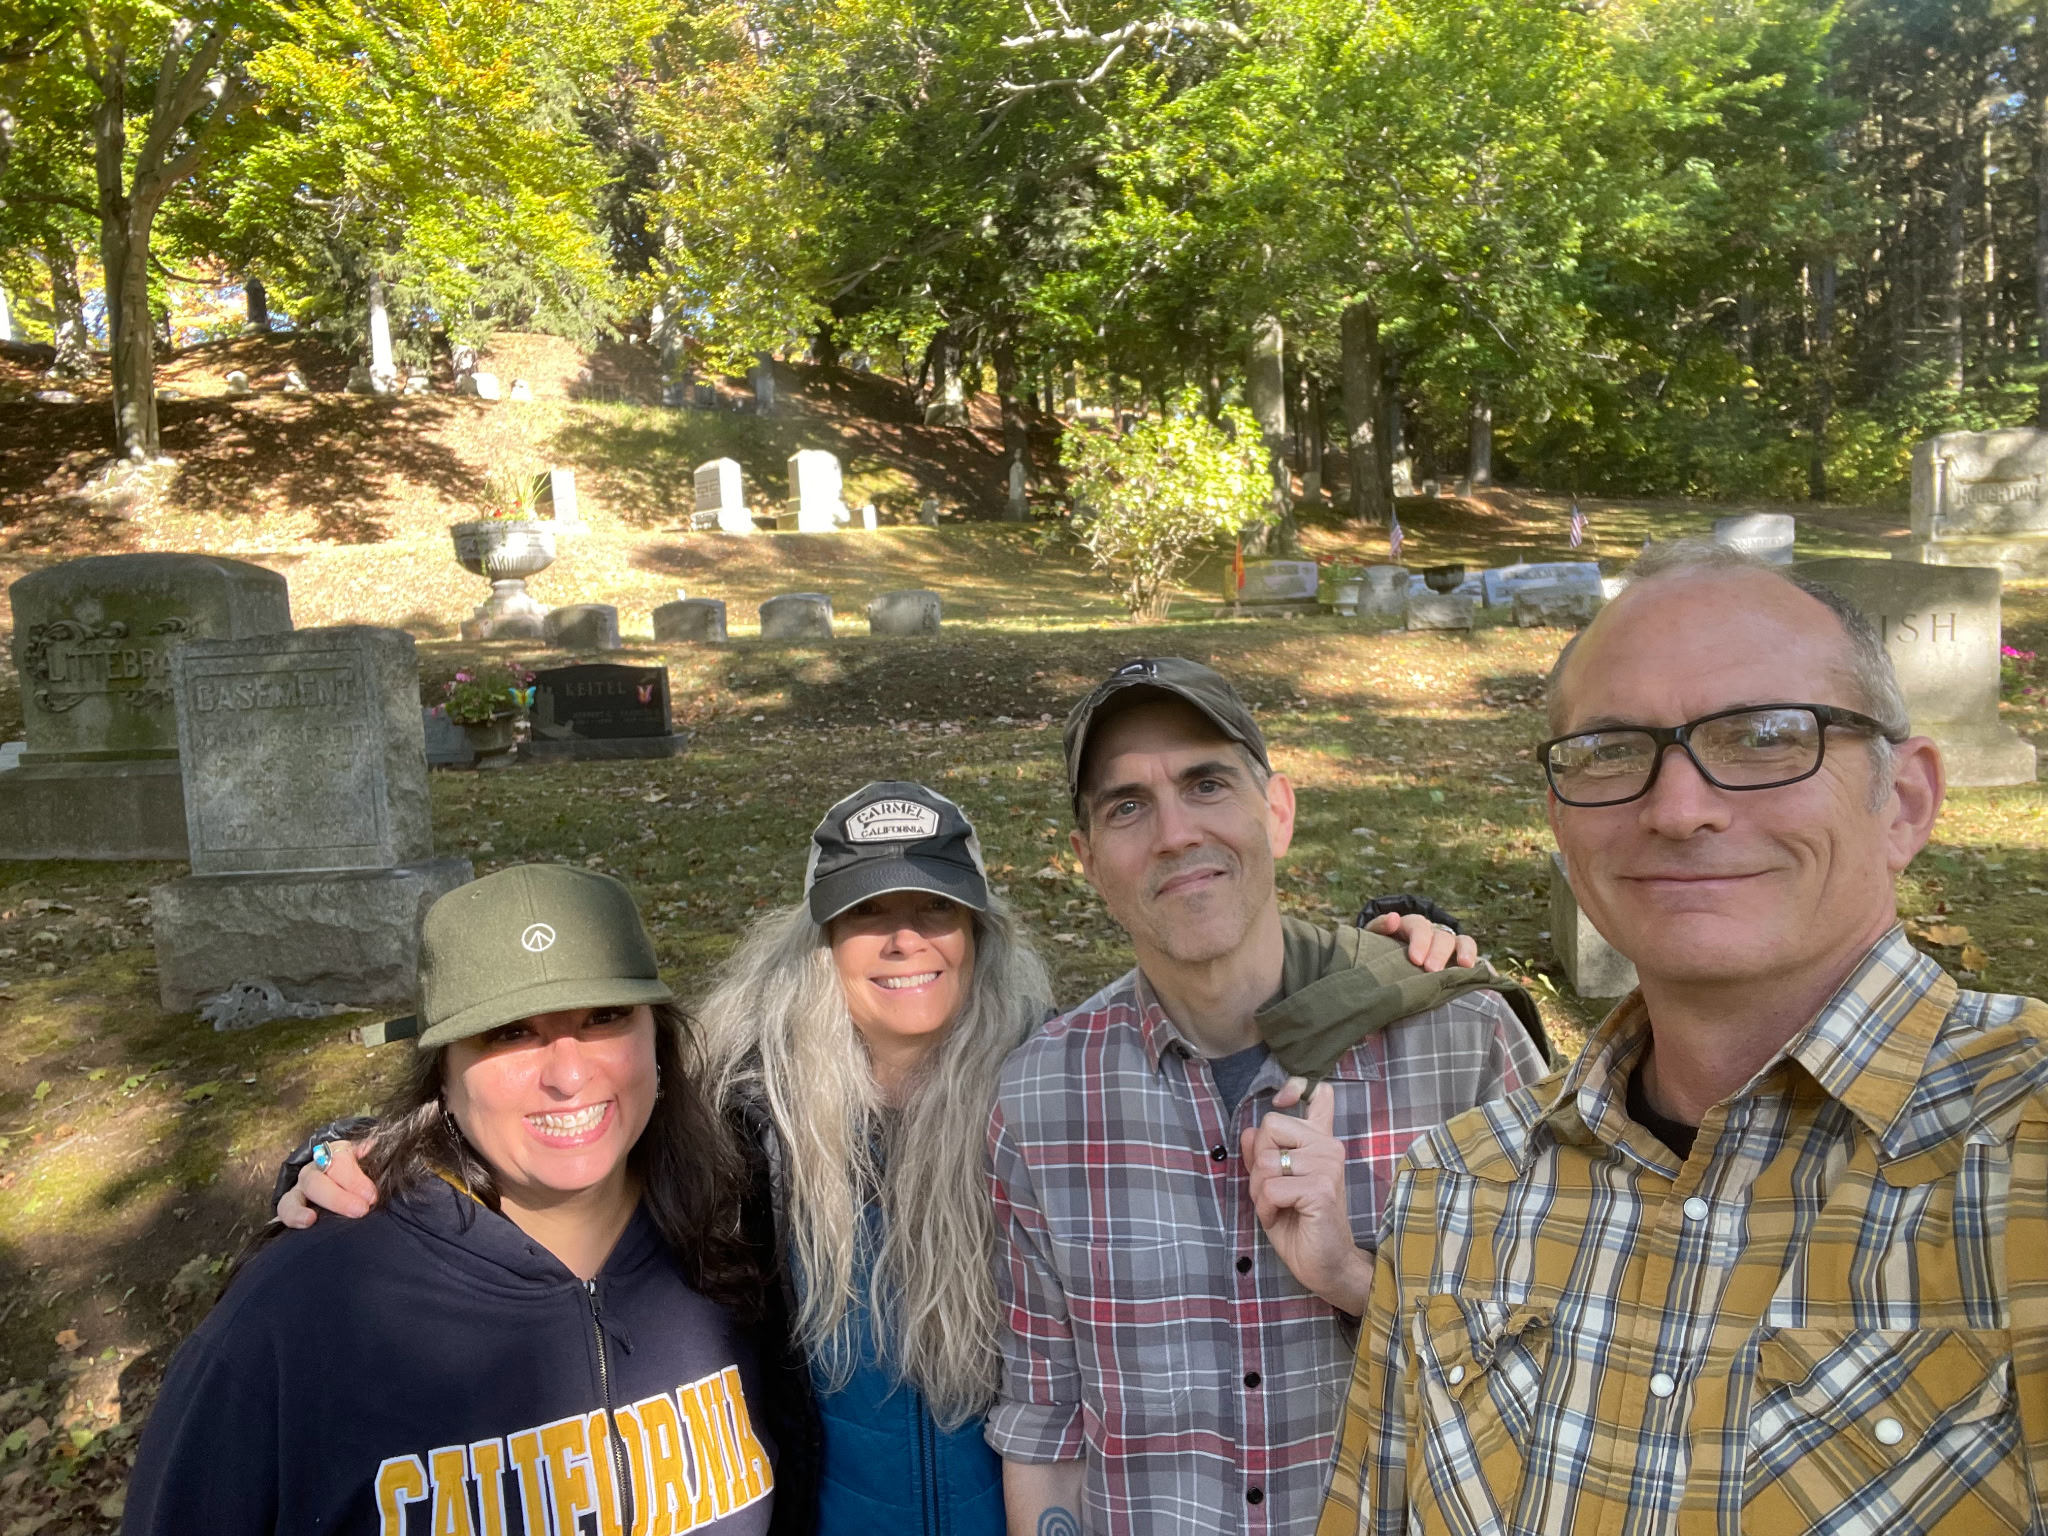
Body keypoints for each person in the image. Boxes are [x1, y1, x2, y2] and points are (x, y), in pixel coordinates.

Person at [279, 784, 1471, 1536]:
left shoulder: (1058, 1087)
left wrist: (1391, 945)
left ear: (978, 932)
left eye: (934, 912)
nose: (903, 940)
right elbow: (560, 1145)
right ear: (820, 942)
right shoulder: (737, 1115)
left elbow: (1226, 1021)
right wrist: (339, 1161)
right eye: (864, 917)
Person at [1316, 539, 2048, 1535]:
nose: (1677, 809)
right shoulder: (1454, 1189)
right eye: (1611, 751)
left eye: (1763, 737)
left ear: (1904, 802)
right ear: (1560, 822)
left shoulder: (2020, 1152)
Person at [991, 657, 1550, 1536]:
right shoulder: (1041, 1097)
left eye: (1206, 784)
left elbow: (1572, 1368)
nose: (1175, 833)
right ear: (1088, 861)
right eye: (1127, 806)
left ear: (1277, 812)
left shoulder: (1462, 1045)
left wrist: (1351, 1278)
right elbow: (1046, 1420)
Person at [126, 863, 782, 1536]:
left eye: (605, 1017)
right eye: (510, 1032)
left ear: (658, 1039)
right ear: (442, 1071)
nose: (568, 1074)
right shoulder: (297, 1314)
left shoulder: (745, 1239)